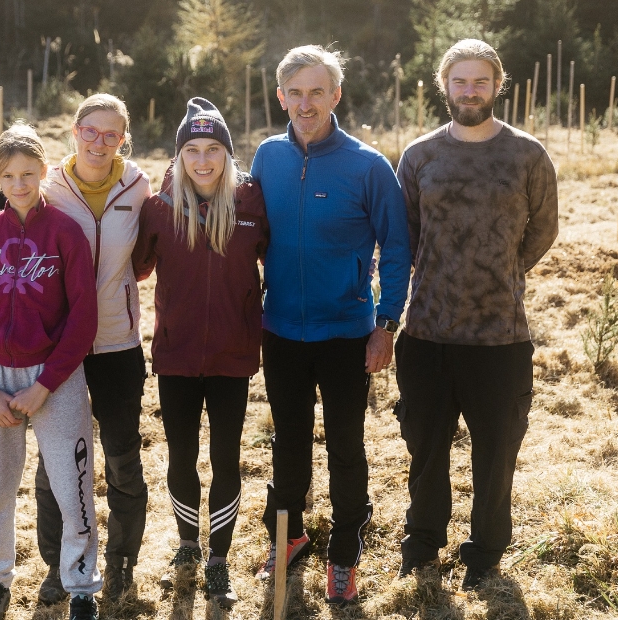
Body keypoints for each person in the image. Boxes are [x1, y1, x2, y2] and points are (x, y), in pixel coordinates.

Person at [393, 39, 558, 591]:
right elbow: (407, 233)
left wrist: (502, 272)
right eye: (459, 81)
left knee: (496, 454)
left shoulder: (528, 155)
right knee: (425, 447)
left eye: (480, 81)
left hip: (500, 337)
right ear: (445, 86)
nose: (470, 90)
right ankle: (422, 542)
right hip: (428, 332)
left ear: (497, 85)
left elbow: (543, 229)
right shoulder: (419, 156)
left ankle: (485, 552)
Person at [252, 45, 411, 606]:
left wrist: (386, 322)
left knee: (346, 445)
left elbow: (396, 248)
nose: (305, 102)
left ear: (336, 95)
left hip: (347, 333)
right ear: (281, 98)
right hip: (281, 332)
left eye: (317, 91)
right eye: (295, 92)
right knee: (287, 440)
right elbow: (249, 232)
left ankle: (345, 551)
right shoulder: (266, 157)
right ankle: (289, 533)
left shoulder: (368, 166)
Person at [0, 123, 100, 620]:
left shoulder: (65, 233)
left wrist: (46, 384)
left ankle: (81, 588)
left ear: (44, 171)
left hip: (54, 378)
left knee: (72, 483)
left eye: (29, 173)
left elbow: (83, 318)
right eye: (9, 175)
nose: (20, 183)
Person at [131, 98, 268, 608]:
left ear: (228, 155)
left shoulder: (252, 204)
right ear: (179, 155)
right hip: (177, 356)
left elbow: (278, 258)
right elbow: (135, 268)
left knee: (226, 455)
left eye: (214, 149)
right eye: (192, 149)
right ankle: (188, 544)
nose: (204, 160)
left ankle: (219, 558)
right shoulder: (159, 207)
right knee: (182, 454)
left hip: (234, 356)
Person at [37, 93, 152, 605]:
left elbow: (144, 255)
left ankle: (122, 559)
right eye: (91, 131)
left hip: (117, 343)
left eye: (112, 134)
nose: (99, 143)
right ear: (74, 133)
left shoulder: (138, 185)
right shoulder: (48, 188)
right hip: (59, 346)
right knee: (56, 461)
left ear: (123, 138)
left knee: (123, 455)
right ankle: (57, 563)